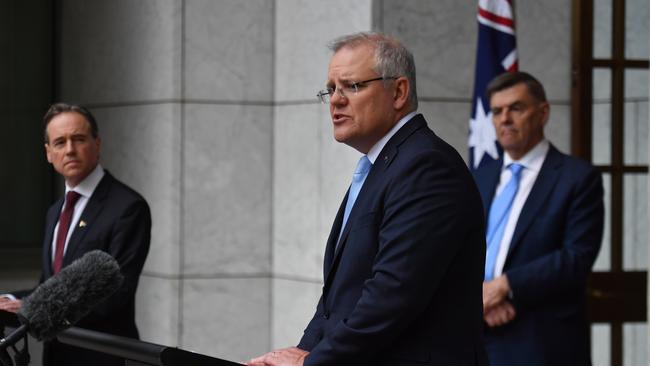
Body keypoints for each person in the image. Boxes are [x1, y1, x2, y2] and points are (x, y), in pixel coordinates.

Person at [248, 32, 488, 366]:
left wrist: (310, 363)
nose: (336, 100)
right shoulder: (384, 165)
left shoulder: (426, 167)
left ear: (399, 92)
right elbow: (335, 303)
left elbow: (392, 295)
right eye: (331, 89)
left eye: (352, 86)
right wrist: (302, 355)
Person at [0, 103, 151, 366]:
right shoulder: (55, 210)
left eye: (78, 139)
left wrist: (34, 308)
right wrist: (11, 300)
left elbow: (115, 294)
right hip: (58, 353)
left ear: (97, 143)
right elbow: (51, 283)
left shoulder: (127, 207)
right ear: (48, 153)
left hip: (103, 356)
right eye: (59, 142)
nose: (69, 149)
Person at [473, 72, 604, 365]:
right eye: (497, 111)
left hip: (540, 341)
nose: (504, 119)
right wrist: (478, 299)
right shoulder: (478, 176)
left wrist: (503, 287)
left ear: (543, 112)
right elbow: (456, 249)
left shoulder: (578, 178)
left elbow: (576, 258)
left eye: (516, 108)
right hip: (475, 335)